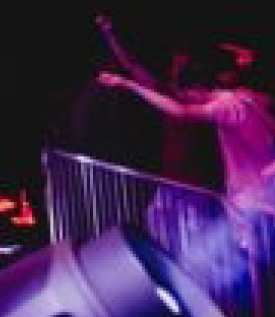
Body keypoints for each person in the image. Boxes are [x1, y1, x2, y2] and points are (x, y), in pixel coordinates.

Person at [98, 36, 275, 208]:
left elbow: (181, 111)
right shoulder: (249, 96)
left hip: (252, 199)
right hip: (259, 195)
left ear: (198, 87)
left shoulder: (226, 105)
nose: (185, 96)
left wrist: (127, 84)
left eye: (187, 93)